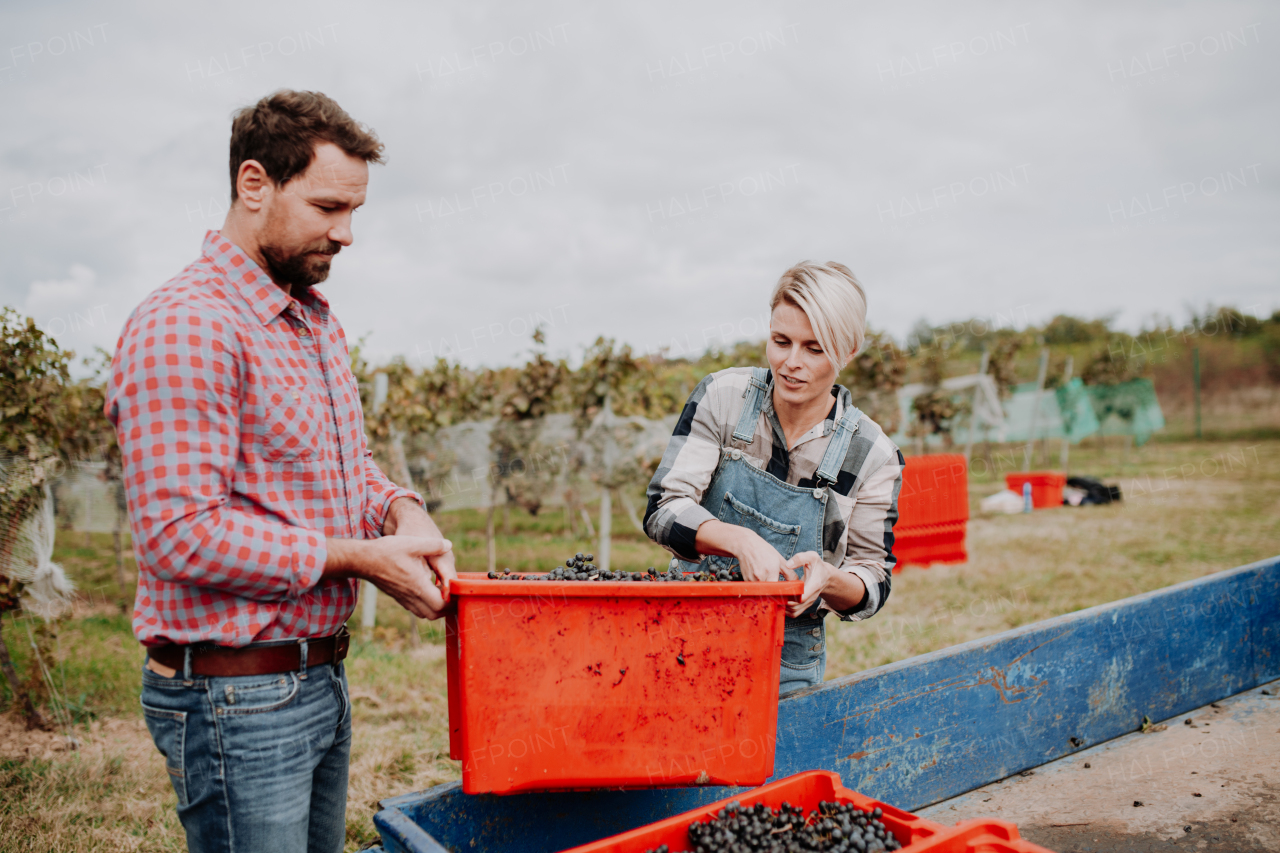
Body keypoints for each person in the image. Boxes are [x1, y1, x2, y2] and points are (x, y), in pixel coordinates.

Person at [105, 90, 456, 853]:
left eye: (356, 210)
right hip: (236, 695)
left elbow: (344, 469)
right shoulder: (189, 323)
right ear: (254, 184)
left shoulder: (312, 321)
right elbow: (179, 535)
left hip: (316, 679)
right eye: (330, 206)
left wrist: (401, 512)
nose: (348, 233)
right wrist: (361, 559)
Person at [644, 261, 903, 695]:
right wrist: (738, 540)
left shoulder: (873, 455)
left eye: (814, 349)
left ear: (849, 350)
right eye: (780, 341)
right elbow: (662, 508)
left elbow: (874, 579)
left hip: (784, 660)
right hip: (683, 637)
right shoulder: (723, 397)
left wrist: (830, 579)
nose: (790, 363)